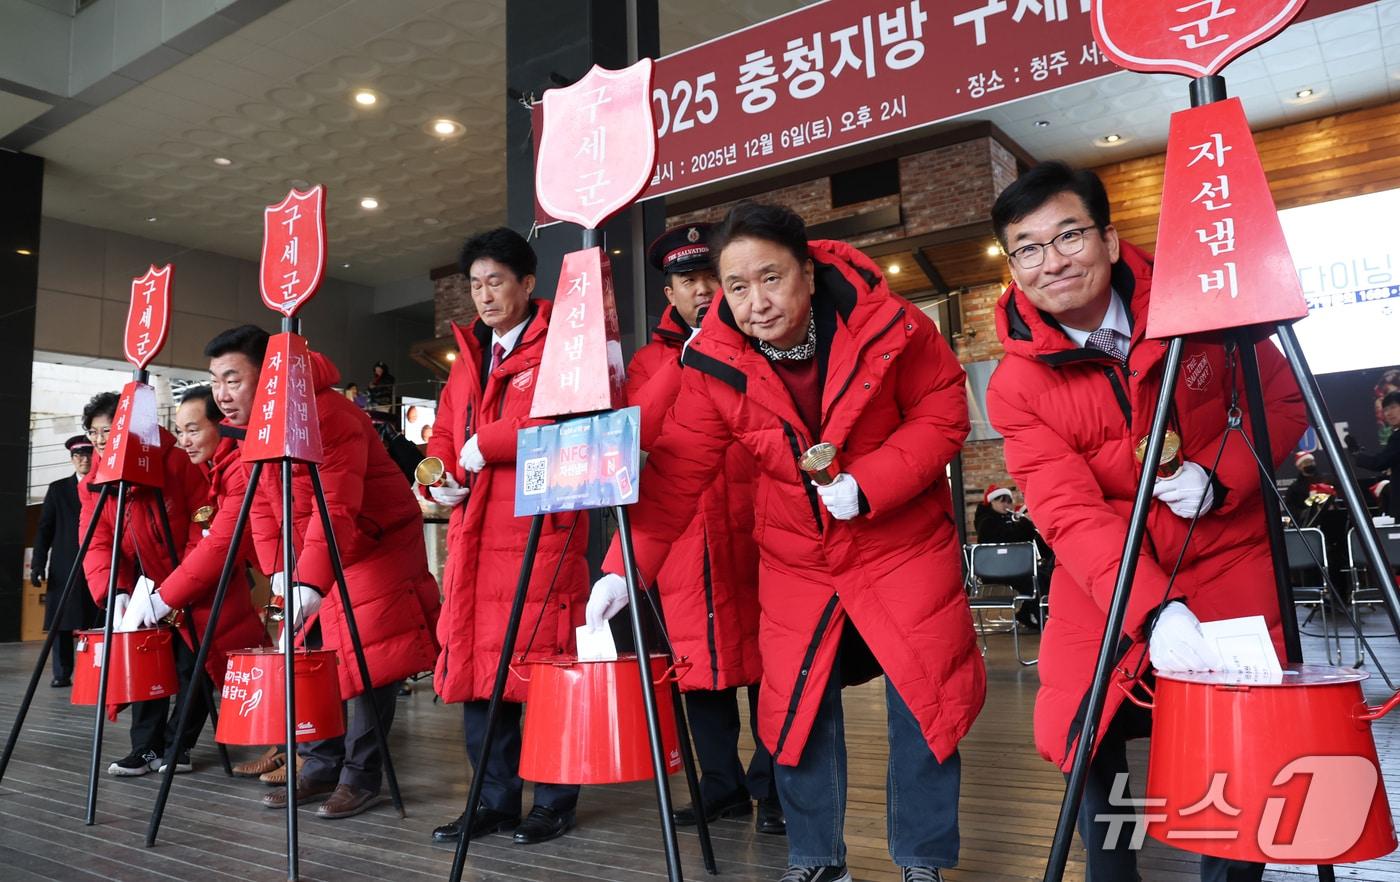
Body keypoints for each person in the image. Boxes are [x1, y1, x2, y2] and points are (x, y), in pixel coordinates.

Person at [587, 202, 985, 882]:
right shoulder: (713, 362)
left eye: (770, 278)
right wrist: (625, 570)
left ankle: (922, 861)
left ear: (806, 269)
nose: (755, 301)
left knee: (926, 699)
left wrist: (871, 482)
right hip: (797, 554)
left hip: (901, 543)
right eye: (737, 287)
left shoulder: (891, 324)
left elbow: (945, 409)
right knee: (795, 706)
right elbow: (680, 470)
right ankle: (815, 858)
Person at [984, 161, 1307, 882]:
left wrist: (1221, 475)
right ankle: (1115, 870)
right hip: (1112, 576)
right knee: (1093, 733)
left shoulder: (1201, 308)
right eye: (1028, 247)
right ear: (1014, 265)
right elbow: (1065, 510)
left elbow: (1283, 404)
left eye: (1068, 235)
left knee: (1239, 748)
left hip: (1226, 550)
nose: (1052, 260)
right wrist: (1153, 610)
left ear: (1106, 236)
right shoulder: (1016, 383)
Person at [204, 324, 441, 819]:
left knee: (371, 661)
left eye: (232, 380)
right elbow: (266, 514)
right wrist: (281, 577)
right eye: (215, 381)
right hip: (322, 550)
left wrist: (308, 579)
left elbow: (336, 508)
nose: (221, 396)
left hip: (375, 544)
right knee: (312, 655)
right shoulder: (257, 430)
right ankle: (318, 764)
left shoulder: (328, 413)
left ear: (269, 377)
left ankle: (362, 777)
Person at [424, 226, 589, 847]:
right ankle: (492, 800)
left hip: (540, 533)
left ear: (527, 283)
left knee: (544, 672)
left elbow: (569, 419)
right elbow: (444, 431)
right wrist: (436, 476)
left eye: (497, 281)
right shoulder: (470, 357)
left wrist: (486, 445)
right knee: (479, 678)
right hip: (473, 534)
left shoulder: (561, 346)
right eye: (476, 284)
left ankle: (553, 803)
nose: (485, 296)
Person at [628, 223, 781, 834]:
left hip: (762, 530)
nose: (703, 290)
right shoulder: (649, 361)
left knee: (775, 669)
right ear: (669, 293)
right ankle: (720, 788)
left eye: (712, 277)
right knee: (702, 673)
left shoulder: (765, 342)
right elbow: (639, 428)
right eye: (689, 281)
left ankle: (775, 789)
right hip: (687, 538)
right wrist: (689, 357)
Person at [123, 386, 271, 773]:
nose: (185, 440)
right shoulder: (198, 466)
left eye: (193, 429)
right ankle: (152, 748)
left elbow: (216, 539)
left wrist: (168, 593)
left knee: (202, 668)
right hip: (172, 585)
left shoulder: (231, 467)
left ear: (222, 425)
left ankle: (180, 748)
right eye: (179, 430)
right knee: (163, 668)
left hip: (203, 586)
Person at [77, 391, 211, 777]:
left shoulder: (174, 461)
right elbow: (99, 542)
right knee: (145, 665)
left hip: (193, 579)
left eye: (110, 429)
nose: (102, 439)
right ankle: (145, 748)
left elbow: (203, 524)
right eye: (95, 432)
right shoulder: (95, 483)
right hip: (142, 587)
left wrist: (180, 585)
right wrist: (116, 590)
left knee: (194, 668)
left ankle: (178, 745)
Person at [32, 434, 101, 687]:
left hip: (96, 565)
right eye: (79, 455)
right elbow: (44, 530)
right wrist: (38, 564)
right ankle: (62, 673)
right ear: (72, 459)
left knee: (96, 621)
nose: (84, 459)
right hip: (64, 565)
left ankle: (94, 672)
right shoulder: (58, 489)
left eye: (88, 454)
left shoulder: (104, 485)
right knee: (61, 622)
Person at [972, 484, 1053, 631]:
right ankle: (1034, 615)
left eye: (1009, 501)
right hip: (995, 568)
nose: (1006, 504)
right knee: (1034, 579)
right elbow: (1007, 538)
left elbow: (1024, 540)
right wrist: (1024, 523)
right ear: (992, 502)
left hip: (1013, 567)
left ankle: (1030, 613)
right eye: (1002, 501)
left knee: (1044, 574)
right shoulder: (986, 522)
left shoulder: (1010, 519)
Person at [1348, 390, 1400, 520]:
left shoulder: (1398, 437)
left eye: (1393, 407)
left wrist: (1357, 455)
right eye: (1386, 409)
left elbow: (1380, 462)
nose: (1389, 413)